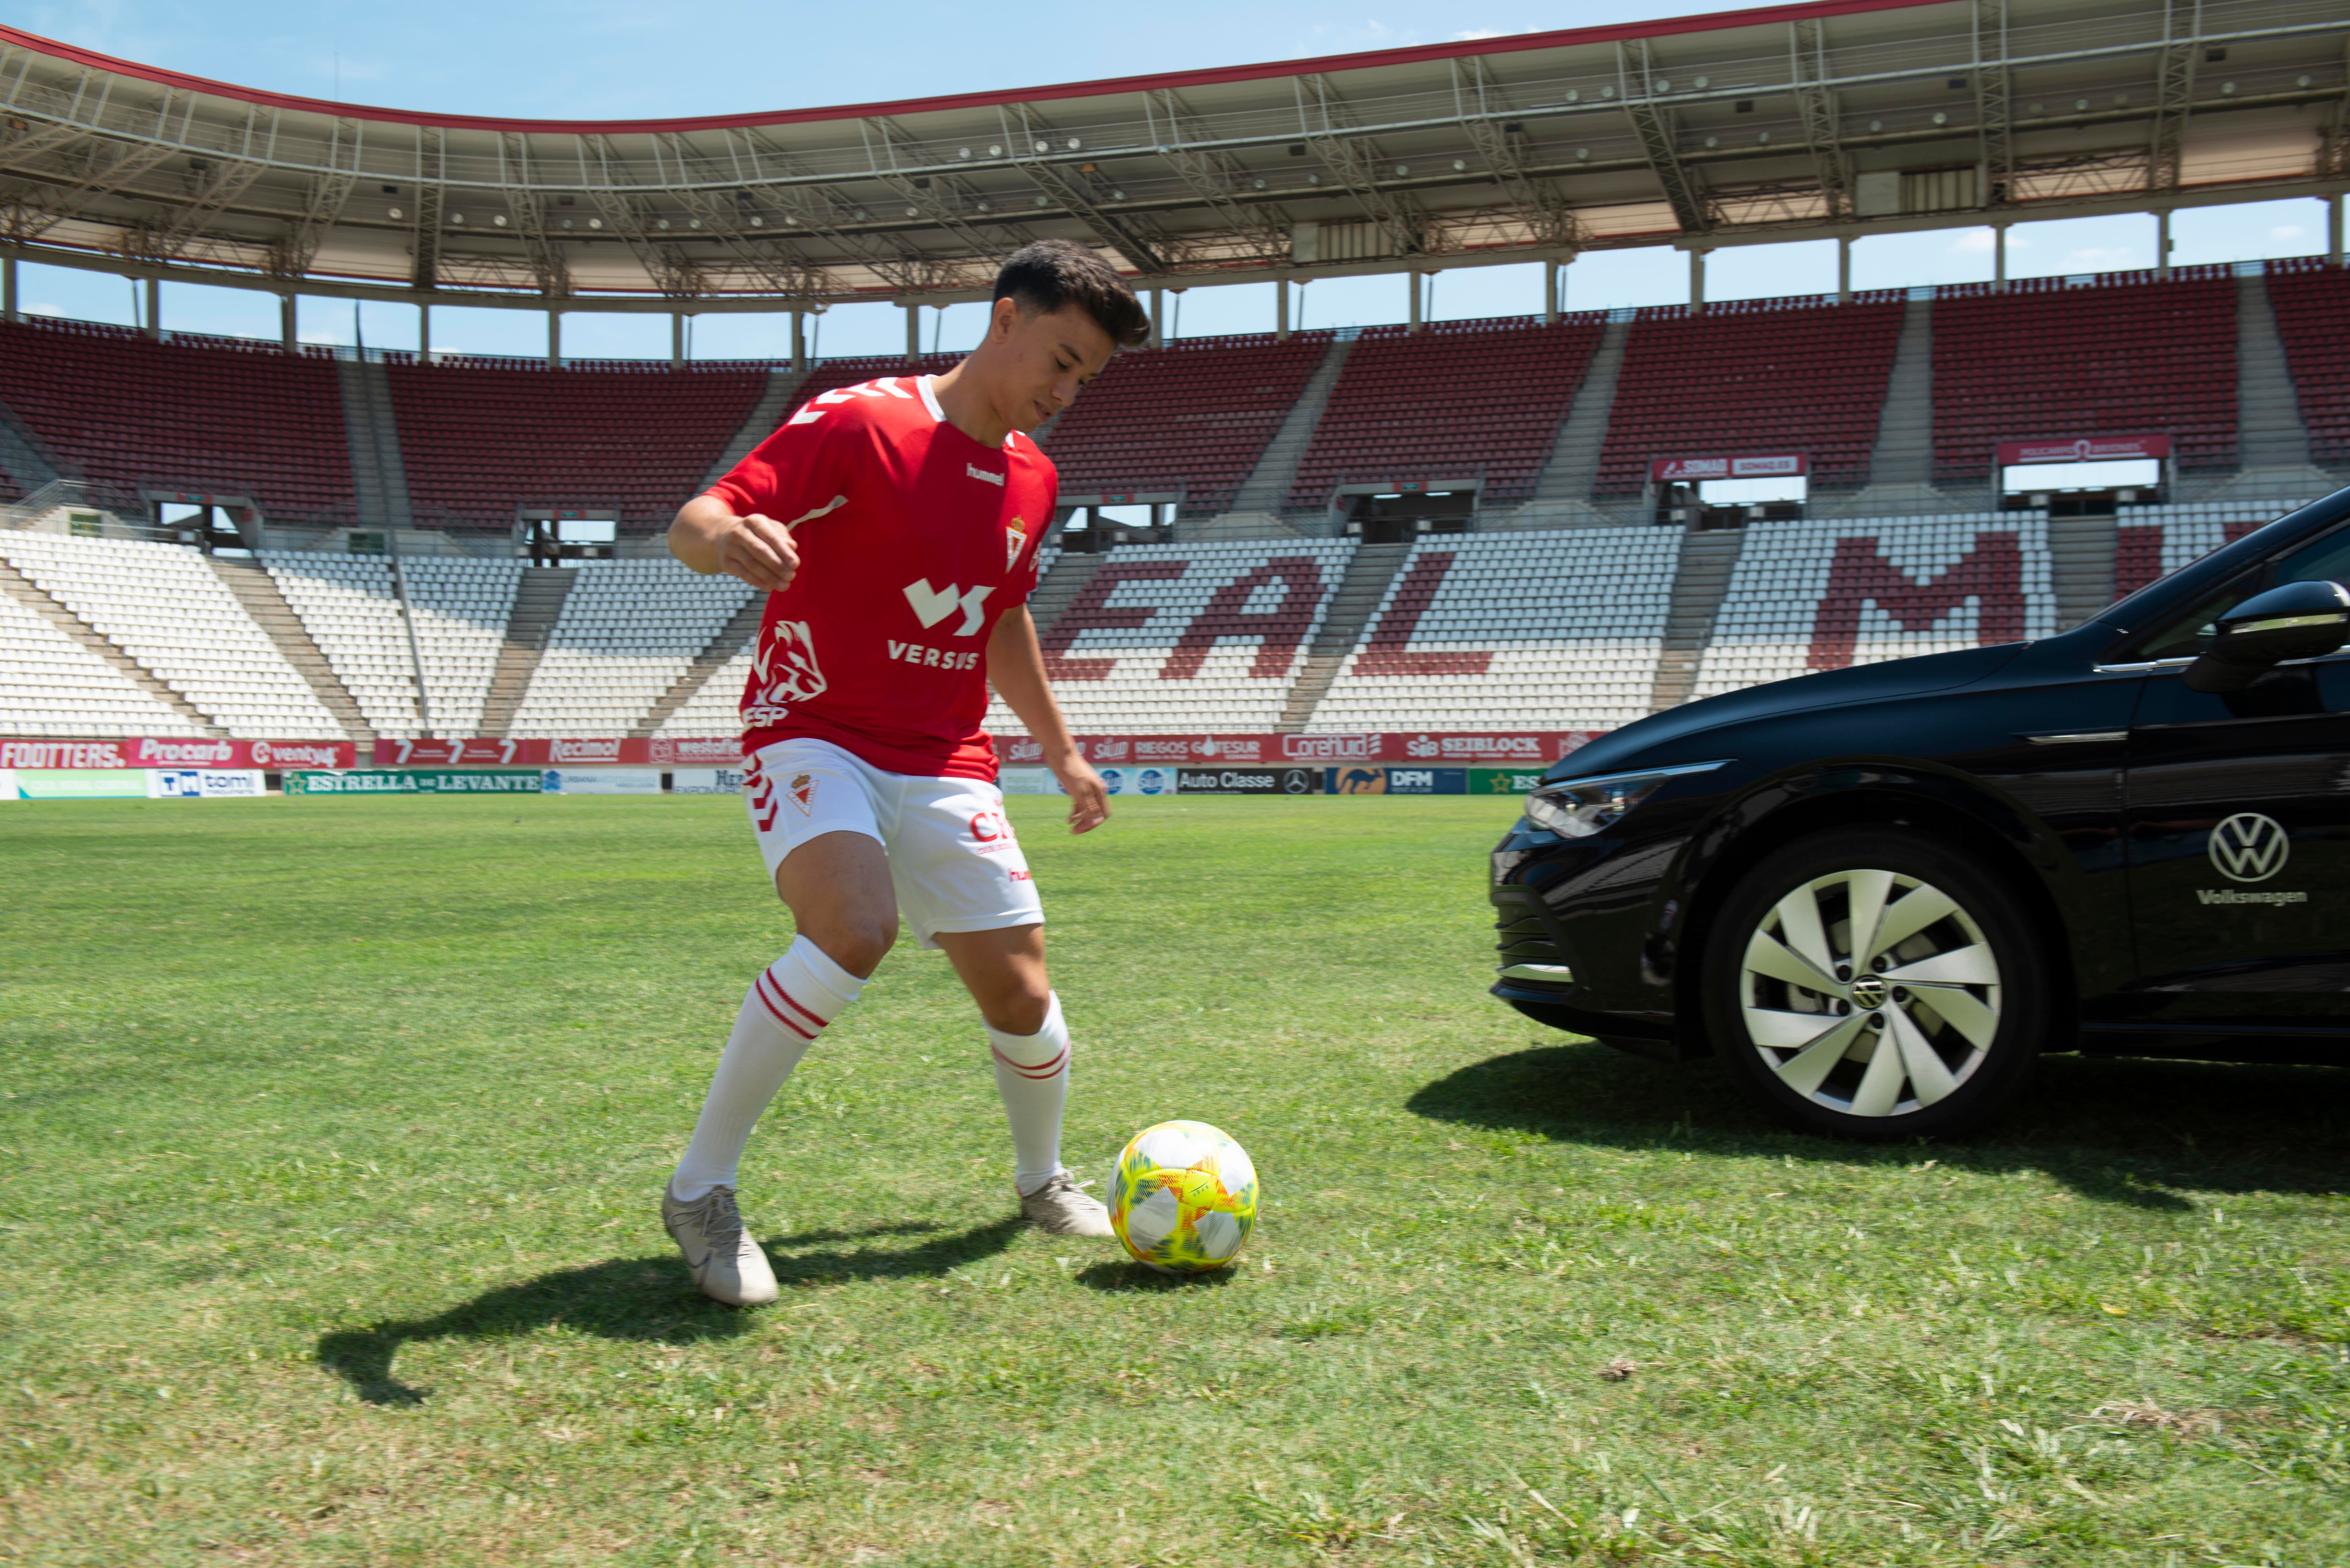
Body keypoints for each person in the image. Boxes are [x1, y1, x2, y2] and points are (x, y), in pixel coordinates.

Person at [660, 240, 1150, 1307]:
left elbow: (1002, 616)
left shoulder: (1034, 477)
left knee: (1022, 995)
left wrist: (1062, 749)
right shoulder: (861, 422)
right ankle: (700, 1191)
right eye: (1062, 362)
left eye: (1087, 379)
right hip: (813, 726)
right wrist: (728, 541)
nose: (1068, 393)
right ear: (1006, 319)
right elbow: (697, 520)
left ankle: (1041, 1181)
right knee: (854, 927)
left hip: (943, 754)